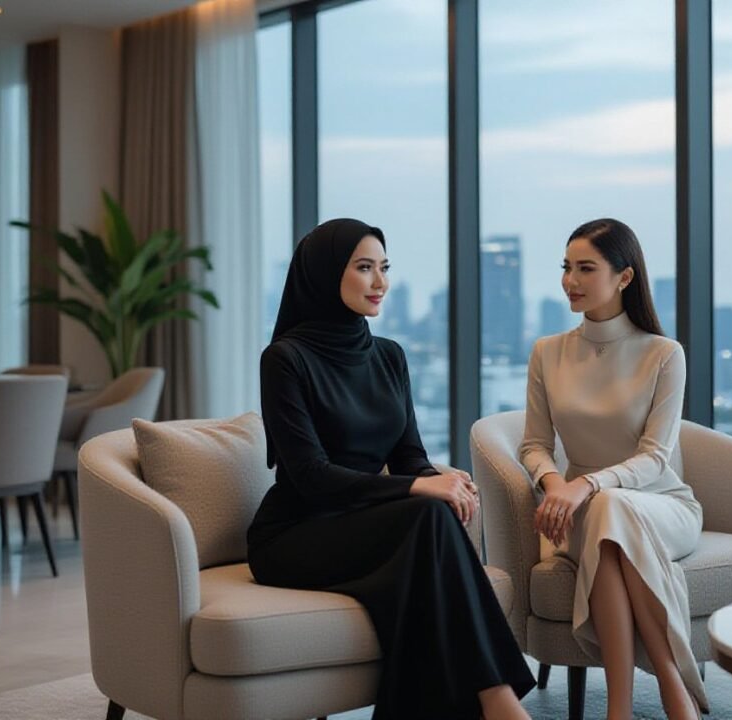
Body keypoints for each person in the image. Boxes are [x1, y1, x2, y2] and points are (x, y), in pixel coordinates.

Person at [248, 218, 535, 720]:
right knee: (428, 515)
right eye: (364, 268)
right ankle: (499, 702)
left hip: (361, 523)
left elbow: (408, 457)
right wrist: (421, 487)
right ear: (323, 274)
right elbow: (311, 476)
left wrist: (442, 481)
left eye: (384, 267)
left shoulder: (389, 356)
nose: (380, 282)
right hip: (295, 532)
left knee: (434, 515)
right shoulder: (285, 360)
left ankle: (495, 702)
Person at [519, 218, 707, 720]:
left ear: (624, 278)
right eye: (566, 268)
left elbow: (656, 458)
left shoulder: (664, 354)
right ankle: (672, 690)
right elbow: (534, 445)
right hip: (579, 511)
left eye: (586, 268)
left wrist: (586, 484)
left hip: (663, 507)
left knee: (610, 506)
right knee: (606, 513)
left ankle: (623, 707)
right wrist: (556, 483)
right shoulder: (548, 352)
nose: (570, 281)